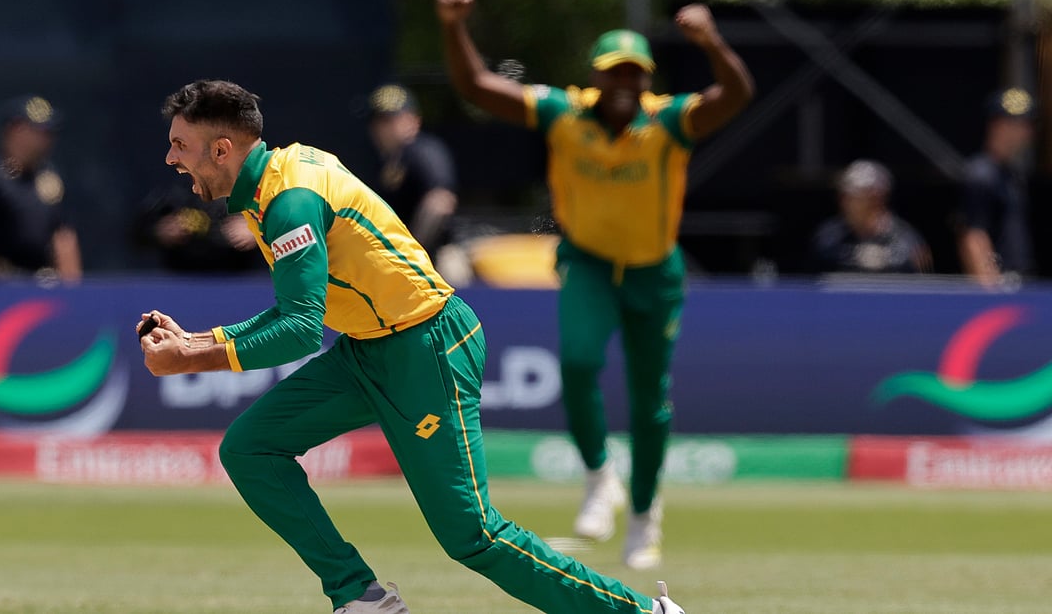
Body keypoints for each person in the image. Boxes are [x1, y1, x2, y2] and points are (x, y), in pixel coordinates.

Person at [138, 79, 685, 614]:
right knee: (249, 447)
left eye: (180, 145)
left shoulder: (289, 200)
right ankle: (359, 596)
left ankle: (642, 612)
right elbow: (297, 311)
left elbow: (302, 328)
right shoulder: (275, 179)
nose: (170, 158)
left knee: (474, 536)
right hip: (371, 349)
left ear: (223, 149)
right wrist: (197, 339)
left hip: (427, 347)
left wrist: (194, 357)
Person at [436, 0, 755, 569]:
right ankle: (597, 478)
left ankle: (643, 518)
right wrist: (454, 25)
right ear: (598, 75)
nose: (625, 83)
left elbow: (736, 94)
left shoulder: (668, 122)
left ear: (648, 79)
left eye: (636, 73)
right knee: (579, 363)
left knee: (648, 401)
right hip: (587, 262)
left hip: (654, 274)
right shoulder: (564, 113)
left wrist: (712, 42)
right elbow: (476, 87)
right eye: (615, 72)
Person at [0, 95, 82, 284]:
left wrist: (72, 289)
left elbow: (63, 236)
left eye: (49, 132)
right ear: (15, 129)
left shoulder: (50, 178)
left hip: (44, 284)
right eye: (39, 131)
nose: (46, 139)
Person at [365, 83, 459, 256]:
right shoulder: (385, 161)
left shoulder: (424, 150)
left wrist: (412, 254)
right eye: (379, 120)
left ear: (414, 120)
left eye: (392, 119)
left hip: (437, 259)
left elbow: (440, 202)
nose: (384, 128)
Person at [957, 87, 1038, 287]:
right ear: (997, 125)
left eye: (1028, 125)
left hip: (1019, 282)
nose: (1026, 133)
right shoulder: (981, 173)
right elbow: (974, 236)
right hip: (1001, 285)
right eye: (1018, 124)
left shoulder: (1012, 175)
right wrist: (991, 288)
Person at [810, 159, 932, 274]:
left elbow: (916, 269)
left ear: (878, 198)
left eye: (855, 195)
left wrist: (883, 259)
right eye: (843, 194)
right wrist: (856, 256)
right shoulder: (830, 235)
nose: (845, 201)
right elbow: (818, 267)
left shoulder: (904, 236)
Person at [133, 183, 262, 274]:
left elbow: (279, 229)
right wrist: (158, 232)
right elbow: (135, 236)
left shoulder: (249, 193)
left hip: (240, 281)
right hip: (178, 281)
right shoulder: (172, 194)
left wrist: (256, 231)